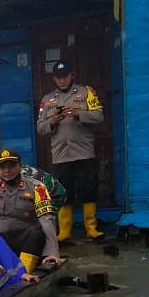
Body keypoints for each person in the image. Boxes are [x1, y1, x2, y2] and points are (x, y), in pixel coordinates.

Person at [36, 60, 105, 240]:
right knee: (63, 192)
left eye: (65, 76)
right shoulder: (47, 99)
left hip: (84, 151)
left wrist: (78, 114)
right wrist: (53, 120)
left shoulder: (86, 92)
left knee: (88, 188)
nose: (62, 80)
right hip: (61, 154)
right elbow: (40, 128)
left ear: (72, 75)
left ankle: (91, 228)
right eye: (58, 77)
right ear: (54, 79)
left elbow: (99, 116)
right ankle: (64, 232)